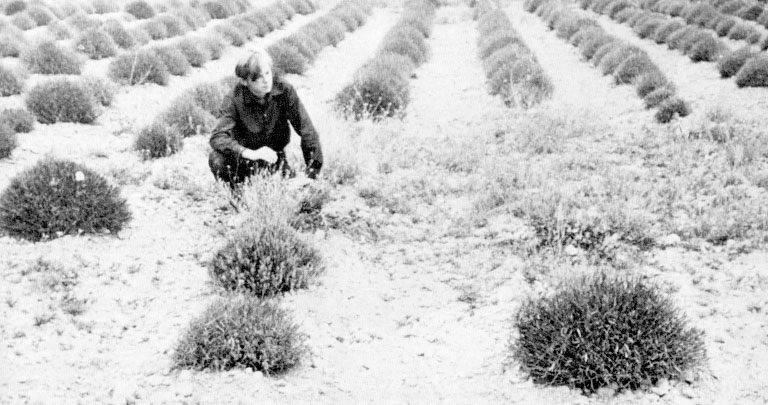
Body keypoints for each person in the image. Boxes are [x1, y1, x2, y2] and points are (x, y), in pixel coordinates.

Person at [208, 48, 323, 189]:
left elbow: (306, 129)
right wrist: (250, 153)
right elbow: (217, 137)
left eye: (267, 73)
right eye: (257, 78)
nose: (266, 80)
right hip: (244, 161)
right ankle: (239, 196)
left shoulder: (284, 90)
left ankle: (276, 180)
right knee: (217, 159)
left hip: (274, 159)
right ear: (245, 82)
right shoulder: (233, 99)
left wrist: (311, 173)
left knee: (296, 196)